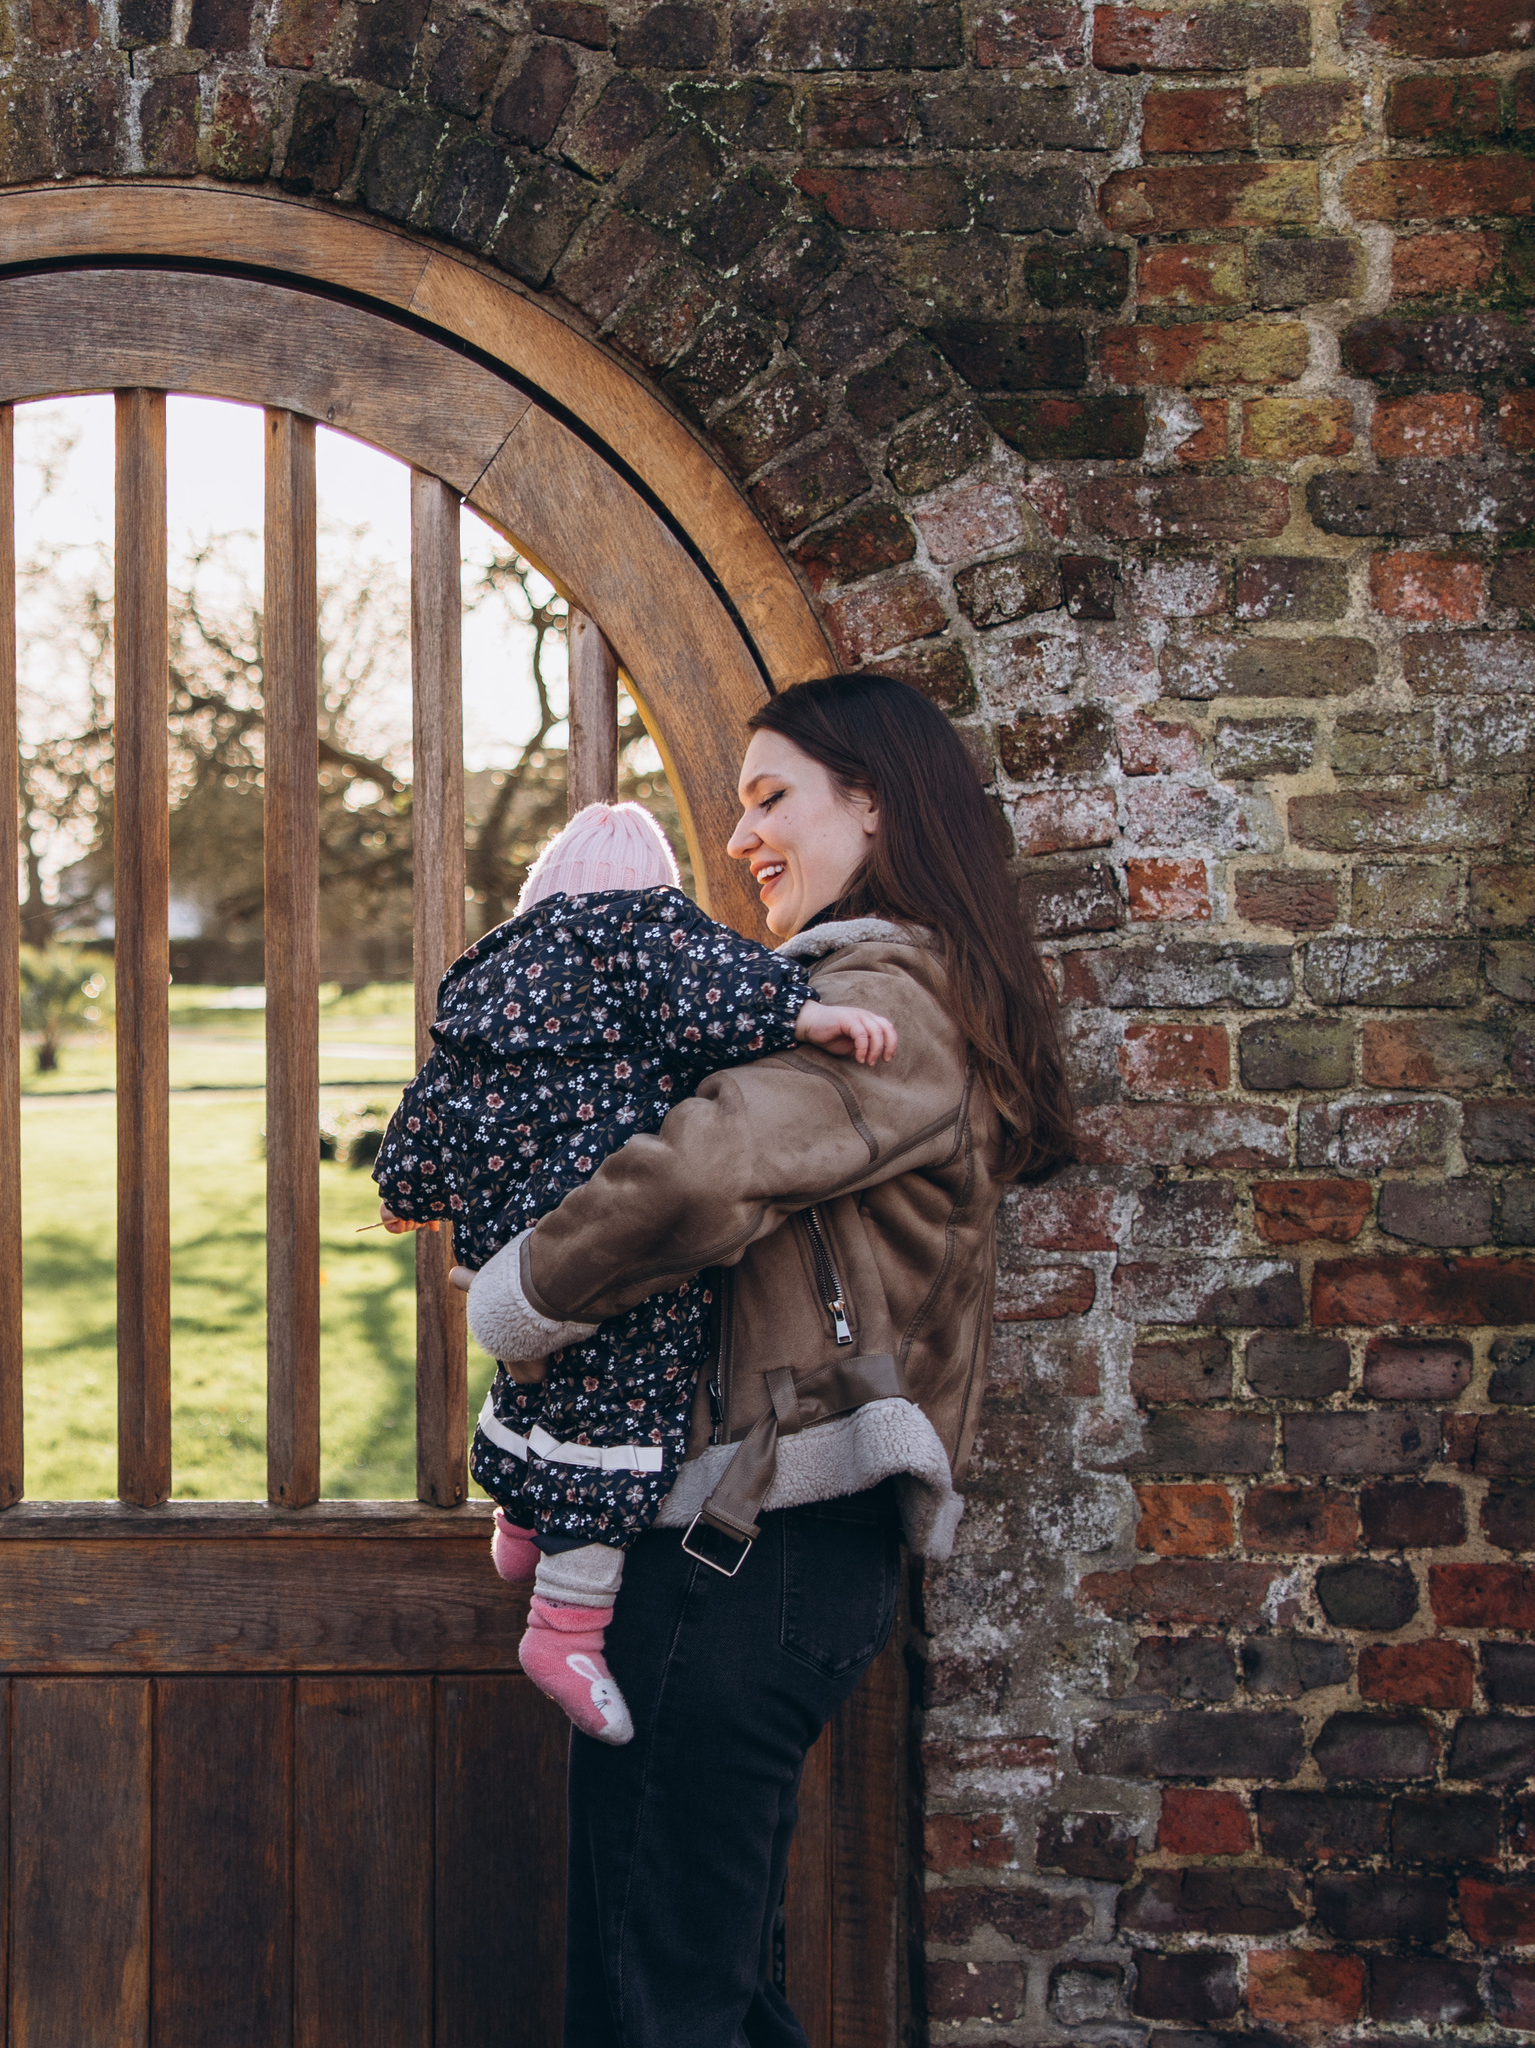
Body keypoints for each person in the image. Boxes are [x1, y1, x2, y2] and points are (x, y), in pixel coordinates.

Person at [456, 675, 1077, 2047]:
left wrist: (521, 1294)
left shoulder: (887, 997)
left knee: (653, 1994)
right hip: (762, 1547)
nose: (740, 839)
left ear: (874, 799)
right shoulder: (863, 992)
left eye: (768, 797)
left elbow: (704, 1173)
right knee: (708, 1986)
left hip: (753, 1548)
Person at [373, 799, 896, 1744]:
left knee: (529, 1384)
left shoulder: (486, 975)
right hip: (607, 1241)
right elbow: (719, 985)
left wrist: (407, 1187)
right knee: (620, 1420)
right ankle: (565, 1626)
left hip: (512, 1242)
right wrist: (803, 1013)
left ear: (540, 895)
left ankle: (518, 1524)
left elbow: (429, 1102)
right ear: (651, 894)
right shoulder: (645, 932)